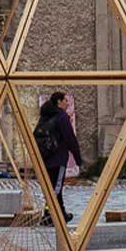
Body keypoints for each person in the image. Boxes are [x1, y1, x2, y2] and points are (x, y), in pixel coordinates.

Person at [35, 91, 82, 224]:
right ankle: (49, 215)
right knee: (56, 189)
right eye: (65, 100)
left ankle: (61, 213)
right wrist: (78, 159)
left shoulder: (45, 116)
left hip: (46, 157)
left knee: (54, 187)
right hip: (58, 158)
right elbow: (70, 139)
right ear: (59, 102)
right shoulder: (62, 117)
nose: (67, 103)